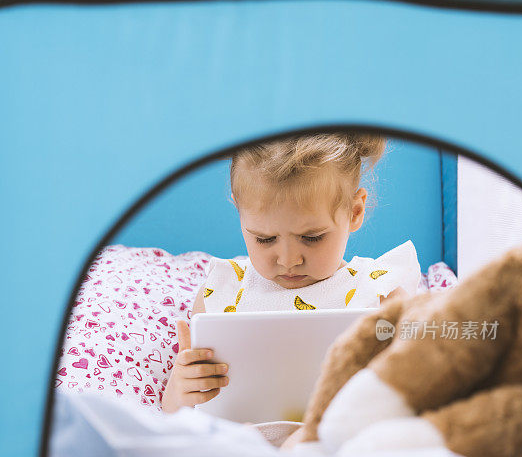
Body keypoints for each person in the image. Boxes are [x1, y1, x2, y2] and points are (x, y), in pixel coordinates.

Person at [162, 132, 420, 412]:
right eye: (264, 239)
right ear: (239, 209)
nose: (288, 260)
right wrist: (181, 388)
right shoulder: (222, 292)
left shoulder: (379, 291)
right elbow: (174, 414)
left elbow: (426, 380)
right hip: (240, 445)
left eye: (312, 238)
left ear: (355, 212)